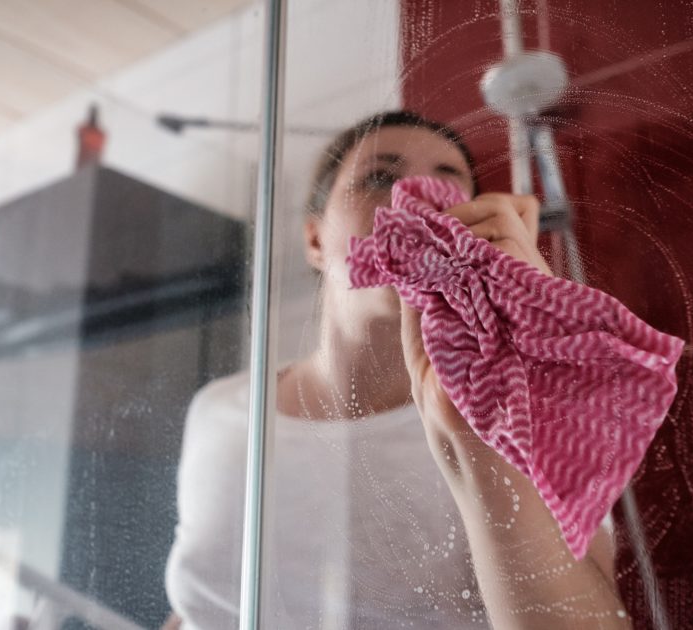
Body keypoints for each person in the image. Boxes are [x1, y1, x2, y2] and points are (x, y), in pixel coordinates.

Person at [165, 111, 629, 629]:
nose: (416, 196)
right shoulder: (220, 410)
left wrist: (483, 432)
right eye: (380, 177)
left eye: (447, 181)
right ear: (315, 240)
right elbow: (196, 608)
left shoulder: (524, 411)